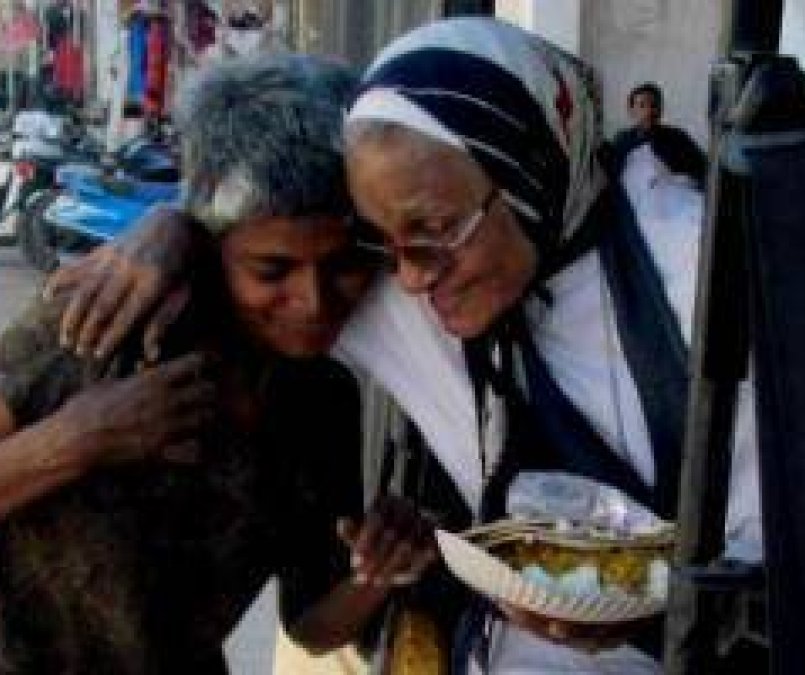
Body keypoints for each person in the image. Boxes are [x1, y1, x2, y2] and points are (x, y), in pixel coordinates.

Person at [48, 18, 762, 674]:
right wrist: (176, 225)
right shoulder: (385, 275)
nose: (411, 278)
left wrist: (662, 610)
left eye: (434, 230)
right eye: (384, 244)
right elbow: (264, 232)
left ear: (526, 170)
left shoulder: (689, 276)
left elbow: (800, 555)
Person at [0, 55, 435, 674]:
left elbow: (310, 625)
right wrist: (80, 438)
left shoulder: (322, 398)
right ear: (211, 246)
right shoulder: (110, 321)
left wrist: (379, 571)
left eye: (343, 265)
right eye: (271, 270)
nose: (313, 302)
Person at [608, 81, 708, 188]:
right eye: (642, 106)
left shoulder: (677, 137)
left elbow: (703, 170)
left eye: (654, 106)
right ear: (631, 110)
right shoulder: (622, 140)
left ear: (661, 110)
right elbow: (614, 178)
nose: (649, 111)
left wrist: (683, 180)